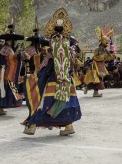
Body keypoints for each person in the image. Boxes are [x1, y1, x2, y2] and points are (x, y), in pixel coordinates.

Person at [24, 8, 82, 136]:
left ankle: (32, 125)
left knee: (42, 98)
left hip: (53, 75)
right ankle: (68, 126)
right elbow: (71, 62)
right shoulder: (67, 43)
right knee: (65, 100)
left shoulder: (52, 43)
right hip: (65, 77)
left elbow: (46, 57)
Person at [0, 32, 25, 116]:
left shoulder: (3, 47)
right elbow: (11, 58)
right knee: (1, 89)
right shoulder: (7, 48)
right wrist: (19, 56)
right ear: (11, 40)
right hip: (3, 72)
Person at [83, 27, 115, 97]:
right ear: (102, 41)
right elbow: (95, 57)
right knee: (94, 79)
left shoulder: (105, 50)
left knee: (98, 79)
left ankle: (94, 92)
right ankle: (89, 89)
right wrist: (104, 57)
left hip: (101, 66)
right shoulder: (97, 49)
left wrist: (112, 56)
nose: (107, 43)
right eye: (106, 41)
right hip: (94, 66)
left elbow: (108, 57)